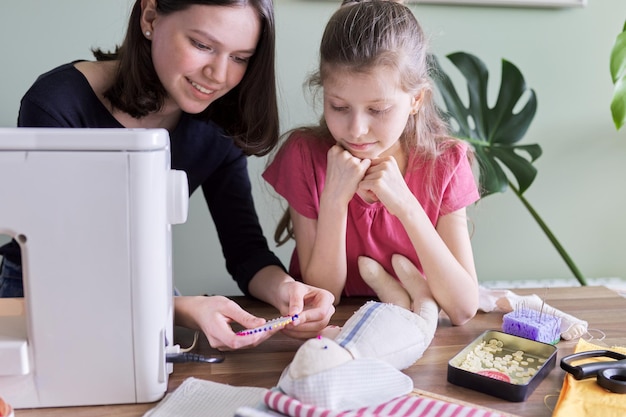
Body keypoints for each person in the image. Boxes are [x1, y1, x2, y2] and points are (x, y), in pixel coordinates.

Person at [0, 0, 334, 350]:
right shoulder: (58, 104)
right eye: (203, 45)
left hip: (147, 295)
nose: (219, 75)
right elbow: (60, 262)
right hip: (40, 297)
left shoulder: (217, 127)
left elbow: (246, 251)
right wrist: (176, 307)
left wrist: (287, 290)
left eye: (240, 58)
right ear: (150, 17)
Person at [263, 0, 480, 328]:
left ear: (415, 100)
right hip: (334, 334)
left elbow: (463, 308)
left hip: (414, 331)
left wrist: (406, 205)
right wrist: (335, 199)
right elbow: (324, 295)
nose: (356, 130)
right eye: (338, 106)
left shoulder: (446, 163)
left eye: (378, 110)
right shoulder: (304, 156)